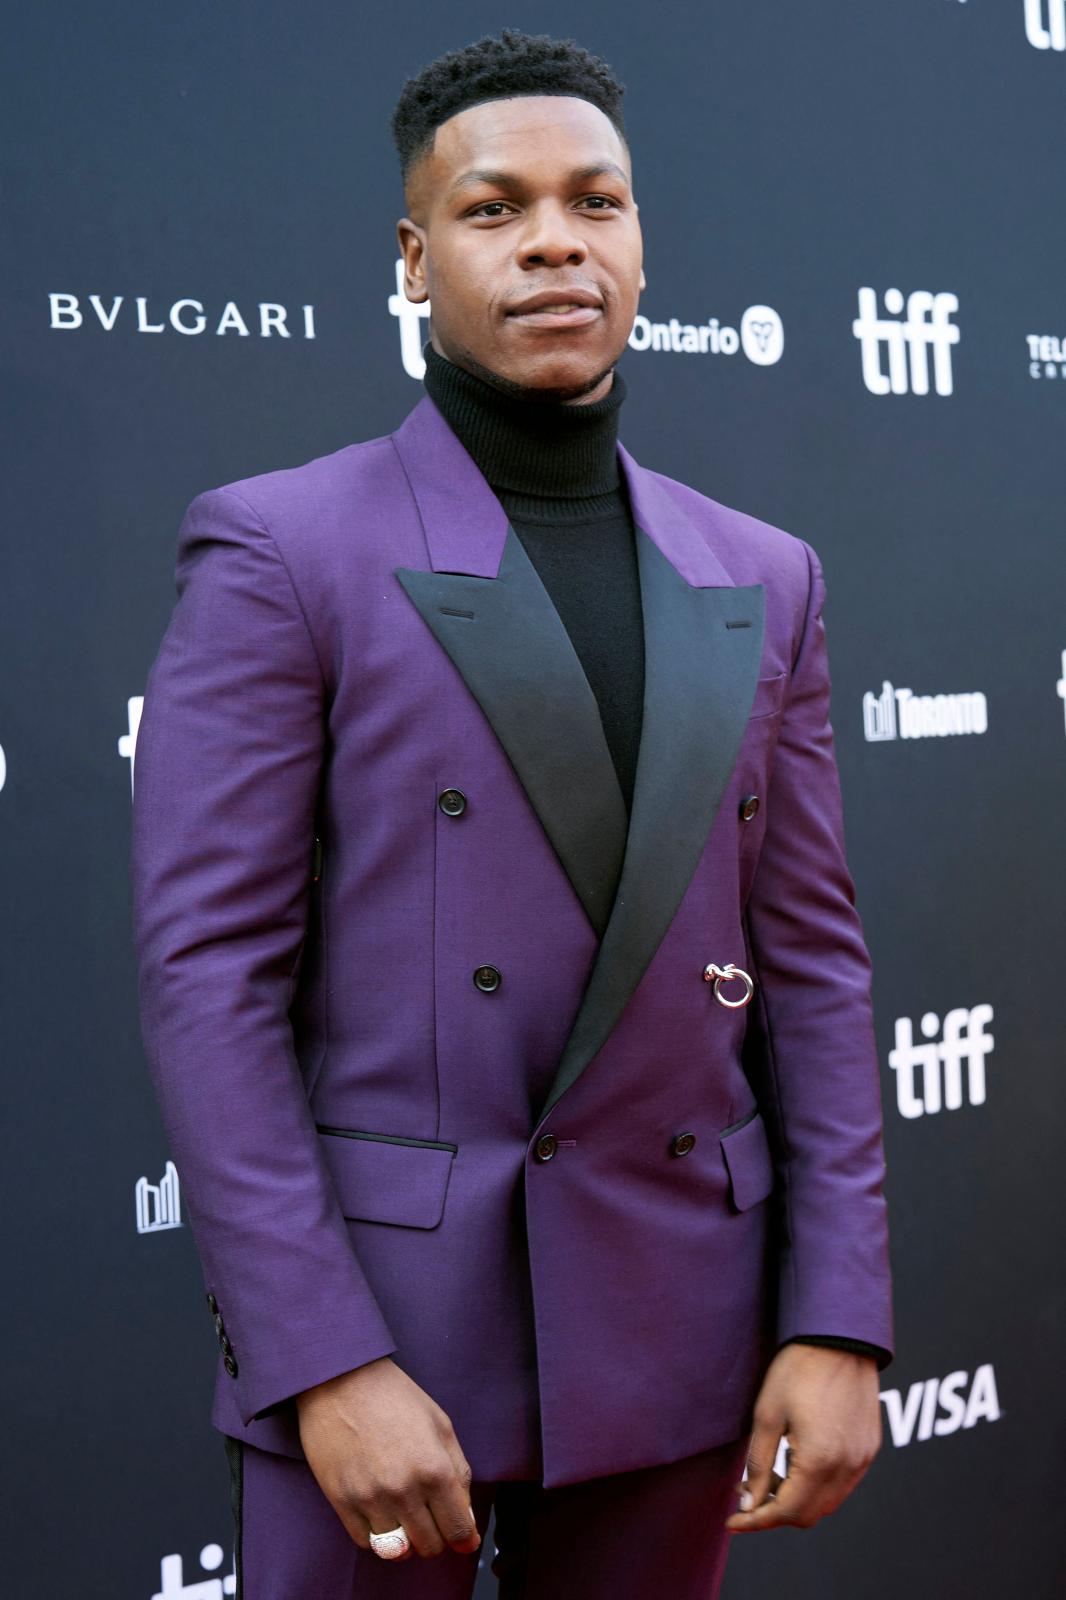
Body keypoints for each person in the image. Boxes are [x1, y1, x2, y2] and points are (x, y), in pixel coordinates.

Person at [130, 27, 894, 1600]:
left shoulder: (763, 572)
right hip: (385, 1350)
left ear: (638, 241)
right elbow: (210, 984)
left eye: (593, 202)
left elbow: (811, 969)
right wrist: (319, 1358)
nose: (554, 241)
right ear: (414, 259)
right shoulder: (280, 550)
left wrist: (836, 1319)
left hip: (680, 1327)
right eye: (494, 209)